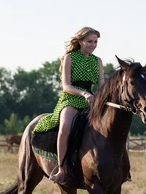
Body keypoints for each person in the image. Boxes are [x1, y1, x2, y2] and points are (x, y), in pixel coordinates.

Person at [33, 27, 104, 184]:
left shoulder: (97, 61)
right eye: (89, 41)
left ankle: (120, 169)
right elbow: (66, 85)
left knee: (111, 124)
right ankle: (61, 169)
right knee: (65, 126)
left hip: (91, 100)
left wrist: (102, 96)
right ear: (80, 42)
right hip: (71, 98)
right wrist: (84, 93)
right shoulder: (70, 57)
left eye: (95, 42)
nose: (93, 45)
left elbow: (101, 83)